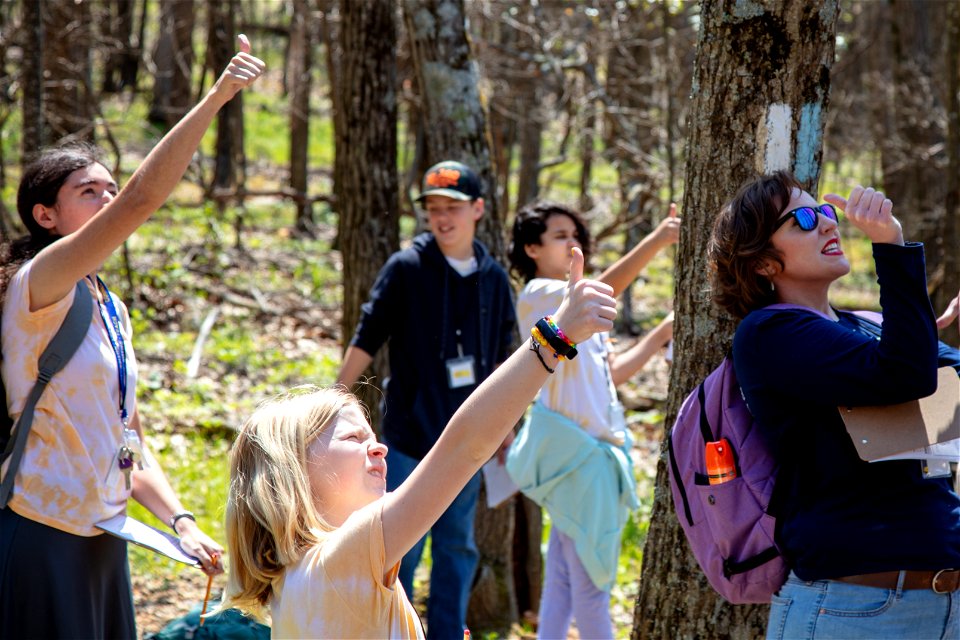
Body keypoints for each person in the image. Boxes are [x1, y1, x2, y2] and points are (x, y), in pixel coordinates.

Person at [0, 37, 264, 639]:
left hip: (103, 538)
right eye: (88, 192)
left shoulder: (109, 306)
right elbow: (146, 200)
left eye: (111, 188)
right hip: (40, 533)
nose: (110, 199)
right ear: (46, 216)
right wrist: (218, 97)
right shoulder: (39, 284)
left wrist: (181, 521)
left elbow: (129, 441)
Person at [222, 249, 615, 638]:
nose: (379, 448)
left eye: (373, 437)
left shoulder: (296, 580)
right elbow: (465, 447)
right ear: (292, 471)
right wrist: (553, 337)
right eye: (353, 438)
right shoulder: (339, 561)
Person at [707, 170, 960, 639]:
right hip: (852, 610)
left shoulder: (863, 329)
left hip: (944, 604)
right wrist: (891, 244)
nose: (828, 223)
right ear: (762, 263)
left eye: (825, 212)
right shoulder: (769, 334)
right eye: (802, 218)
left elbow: (949, 380)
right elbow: (907, 374)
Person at [335, 160, 516, 637]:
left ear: (478, 209)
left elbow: (503, 357)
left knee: (457, 548)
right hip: (410, 439)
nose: (442, 218)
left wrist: (505, 424)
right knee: (399, 548)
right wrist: (335, 396)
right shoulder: (407, 267)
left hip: (468, 444)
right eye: (434, 208)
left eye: (453, 207)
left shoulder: (494, 278)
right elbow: (368, 335)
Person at [506, 200, 679, 639]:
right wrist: (658, 239)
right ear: (531, 249)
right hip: (578, 460)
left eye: (576, 235)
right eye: (560, 236)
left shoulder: (576, 307)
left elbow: (613, 372)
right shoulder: (540, 295)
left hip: (590, 457)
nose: (572, 243)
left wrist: (662, 333)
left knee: (565, 578)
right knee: (593, 585)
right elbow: (596, 293)